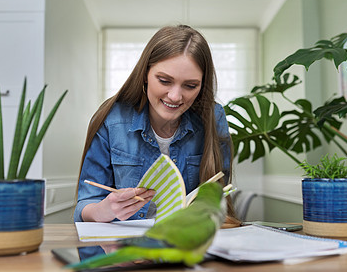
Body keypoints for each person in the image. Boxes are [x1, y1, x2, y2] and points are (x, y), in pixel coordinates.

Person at [74, 25, 238, 224]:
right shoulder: (111, 119)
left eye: (190, 85)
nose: (175, 96)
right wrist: (105, 209)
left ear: (202, 85)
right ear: (145, 74)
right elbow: (85, 205)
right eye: (164, 81)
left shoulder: (213, 117)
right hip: (128, 249)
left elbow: (220, 198)